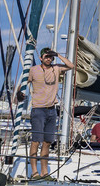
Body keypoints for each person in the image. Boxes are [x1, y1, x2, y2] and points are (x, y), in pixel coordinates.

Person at [27, 46, 74, 177]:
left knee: (47, 142)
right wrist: (19, 93)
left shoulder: (56, 68)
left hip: (51, 110)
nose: (48, 59)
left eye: (50, 56)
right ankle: (34, 171)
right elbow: (24, 82)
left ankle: (44, 172)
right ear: (41, 58)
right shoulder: (33, 70)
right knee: (36, 141)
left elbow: (71, 65)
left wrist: (58, 54)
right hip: (38, 109)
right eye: (46, 56)